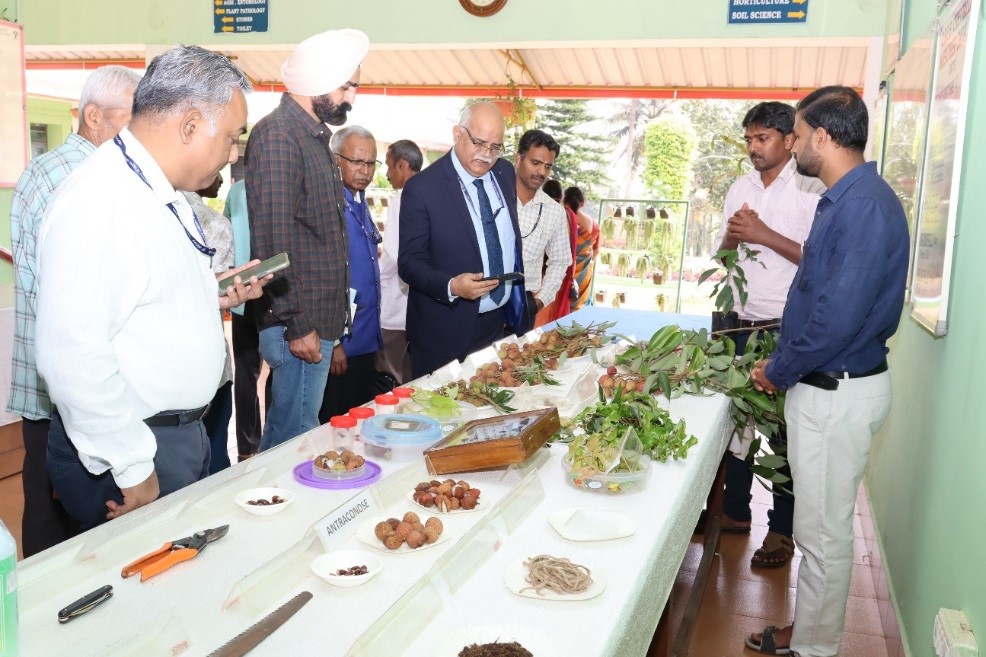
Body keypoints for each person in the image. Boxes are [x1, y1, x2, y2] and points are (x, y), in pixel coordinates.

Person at [35, 46, 267, 530]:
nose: (231, 155)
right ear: (188, 125)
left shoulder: (158, 190)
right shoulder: (100, 200)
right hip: (129, 453)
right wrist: (134, 466)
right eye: (229, 138)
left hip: (173, 437)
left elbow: (149, 294)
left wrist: (210, 295)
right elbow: (72, 354)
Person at [745, 86, 909, 657]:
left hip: (833, 389)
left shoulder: (862, 206)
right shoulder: (849, 197)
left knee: (825, 537)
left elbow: (836, 317)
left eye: (799, 133)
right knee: (818, 533)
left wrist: (779, 367)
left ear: (823, 135)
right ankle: (808, 633)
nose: (793, 147)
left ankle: (813, 649)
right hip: (829, 385)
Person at [7, 65, 141, 556]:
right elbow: (70, 297)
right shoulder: (69, 175)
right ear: (93, 117)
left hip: (72, 386)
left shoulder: (95, 173)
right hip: (61, 391)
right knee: (56, 520)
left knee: (68, 515)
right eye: (134, 117)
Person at [713, 101, 826, 569]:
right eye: (749, 139)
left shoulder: (811, 190)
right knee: (733, 422)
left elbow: (820, 263)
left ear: (788, 139)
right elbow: (722, 257)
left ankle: (781, 530)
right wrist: (735, 239)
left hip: (781, 326)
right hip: (733, 320)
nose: (753, 147)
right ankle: (734, 511)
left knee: (780, 432)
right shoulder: (738, 187)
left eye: (762, 138)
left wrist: (762, 232)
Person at [246, 29, 369, 451]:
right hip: (298, 325)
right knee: (291, 441)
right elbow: (272, 244)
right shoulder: (279, 136)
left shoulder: (311, 136)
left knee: (295, 435)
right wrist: (297, 324)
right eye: (345, 86)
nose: (351, 97)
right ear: (317, 82)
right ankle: (269, 512)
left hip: (315, 320)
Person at [398, 101, 530, 378]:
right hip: (444, 334)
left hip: (497, 327)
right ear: (457, 134)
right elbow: (409, 263)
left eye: (495, 147)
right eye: (479, 143)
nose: (486, 155)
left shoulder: (505, 174)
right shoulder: (422, 188)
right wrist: (452, 286)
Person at [320, 126, 384, 420]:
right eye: (357, 162)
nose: (366, 171)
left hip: (365, 340)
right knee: (336, 426)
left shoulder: (358, 202)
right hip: (342, 346)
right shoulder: (326, 206)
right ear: (335, 160)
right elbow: (322, 282)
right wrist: (333, 342)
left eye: (371, 163)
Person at [183, 173, 235, 474]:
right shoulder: (212, 223)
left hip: (181, 378)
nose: (219, 177)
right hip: (208, 370)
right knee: (213, 458)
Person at [224, 169, 272, 461]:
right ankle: (273, 445)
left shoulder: (236, 190)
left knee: (245, 375)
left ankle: (246, 448)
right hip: (273, 291)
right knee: (276, 372)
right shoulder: (281, 185)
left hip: (242, 293)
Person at [514, 130, 571, 327]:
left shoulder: (554, 212)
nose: (541, 172)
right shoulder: (495, 198)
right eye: (535, 163)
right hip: (483, 301)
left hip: (524, 303)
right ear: (518, 159)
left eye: (548, 166)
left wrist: (539, 302)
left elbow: (561, 261)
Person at [377, 139, 422, 383]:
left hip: (396, 308)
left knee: (389, 379)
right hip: (422, 310)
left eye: (389, 166)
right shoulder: (432, 193)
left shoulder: (403, 198)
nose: (386, 173)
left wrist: (377, 281)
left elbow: (393, 256)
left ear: (402, 165)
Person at [541, 179, 576, 322]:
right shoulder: (568, 215)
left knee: (539, 315)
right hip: (560, 272)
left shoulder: (541, 211)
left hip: (539, 271)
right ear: (561, 197)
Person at [564, 186, 600, 311]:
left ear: (564, 201)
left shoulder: (560, 219)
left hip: (563, 273)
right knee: (578, 311)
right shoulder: (594, 225)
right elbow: (595, 252)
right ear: (583, 202)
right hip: (584, 276)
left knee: (561, 310)